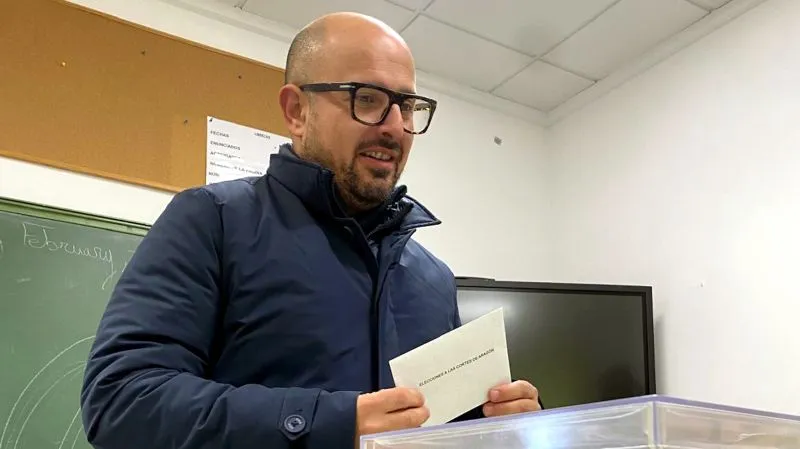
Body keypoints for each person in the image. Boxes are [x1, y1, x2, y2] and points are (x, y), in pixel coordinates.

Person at [80, 11, 541, 449]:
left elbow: (436, 426)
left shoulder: (432, 277)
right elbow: (122, 401)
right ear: (297, 111)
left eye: (407, 106)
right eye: (367, 99)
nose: (396, 127)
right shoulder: (212, 219)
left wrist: (498, 424)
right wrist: (332, 426)